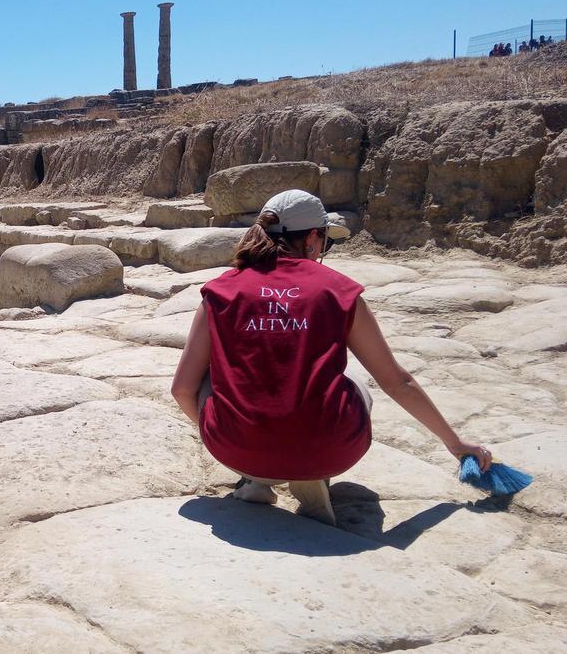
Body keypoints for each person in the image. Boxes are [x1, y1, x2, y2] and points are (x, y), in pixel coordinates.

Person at [170, 190, 492, 526]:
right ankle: (312, 478)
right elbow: (397, 381)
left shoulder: (221, 290)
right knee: (353, 380)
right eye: (325, 241)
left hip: (235, 449)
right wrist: (455, 444)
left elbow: (181, 390)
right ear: (311, 238)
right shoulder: (338, 290)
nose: (323, 250)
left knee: (211, 377)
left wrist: (229, 434)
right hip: (331, 452)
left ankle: (255, 478)